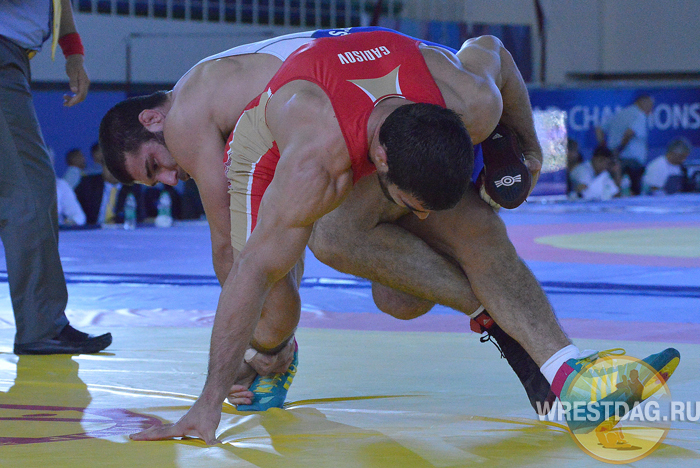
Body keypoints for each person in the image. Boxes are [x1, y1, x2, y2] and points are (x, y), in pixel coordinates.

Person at [102, 30, 678, 443]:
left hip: (381, 100)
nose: (168, 178)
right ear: (377, 163)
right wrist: (208, 404)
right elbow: (243, 268)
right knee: (307, 256)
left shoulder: (469, 101)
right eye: (408, 206)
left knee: (472, 235)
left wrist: (529, 150)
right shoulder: (311, 157)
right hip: (283, 133)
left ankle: (567, 376)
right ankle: (274, 355)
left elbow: (492, 49)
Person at [0, 0, 112, 354]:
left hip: (13, 60)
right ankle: (41, 325)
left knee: (30, 189)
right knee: (30, 192)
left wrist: (74, 50)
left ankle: (43, 322)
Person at [596, 95, 654, 195]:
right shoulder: (640, 115)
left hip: (615, 160)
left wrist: (603, 146)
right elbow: (629, 133)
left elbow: (598, 129)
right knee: (634, 194)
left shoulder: (620, 113)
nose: (651, 110)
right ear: (642, 103)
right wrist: (619, 149)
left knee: (615, 191)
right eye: (650, 106)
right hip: (632, 163)